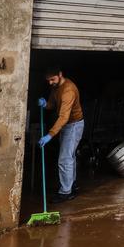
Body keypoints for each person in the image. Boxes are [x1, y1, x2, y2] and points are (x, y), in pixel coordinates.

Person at [37, 67, 84, 202]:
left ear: (60, 74)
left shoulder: (68, 90)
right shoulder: (56, 87)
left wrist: (50, 135)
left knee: (64, 159)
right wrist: (46, 104)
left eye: (52, 79)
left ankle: (66, 192)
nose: (50, 83)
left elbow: (63, 117)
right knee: (69, 156)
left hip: (74, 125)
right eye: (48, 80)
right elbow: (53, 104)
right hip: (67, 125)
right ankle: (72, 184)